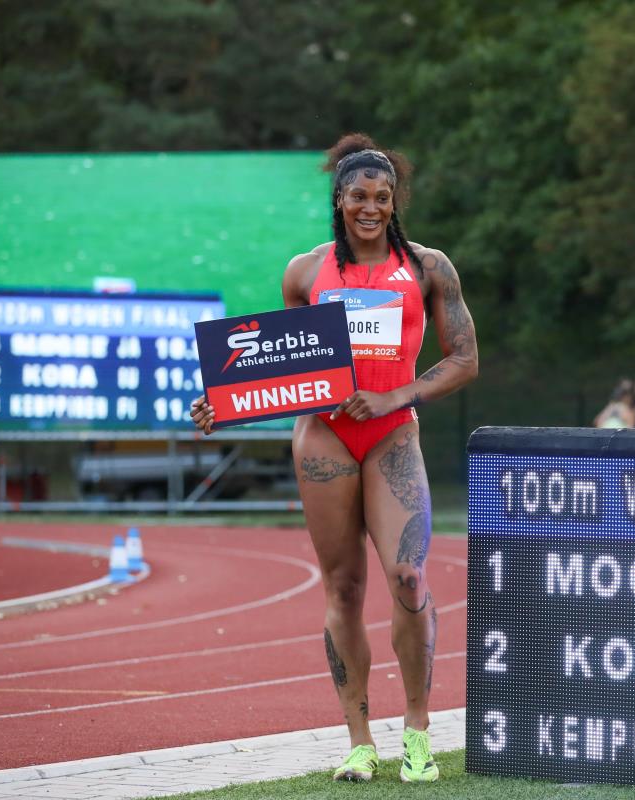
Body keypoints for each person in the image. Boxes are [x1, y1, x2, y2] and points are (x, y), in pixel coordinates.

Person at [191, 134, 478, 783]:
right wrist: (222, 404)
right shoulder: (304, 272)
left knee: (408, 576)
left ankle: (417, 732)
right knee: (343, 588)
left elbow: (466, 359)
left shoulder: (429, 267)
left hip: (392, 434)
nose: (371, 207)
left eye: (382, 197)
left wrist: (394, 396)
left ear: (393, 200)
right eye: (359, 197)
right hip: (323, 440)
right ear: (340, 201)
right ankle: (357, 741)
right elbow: (280, 365)